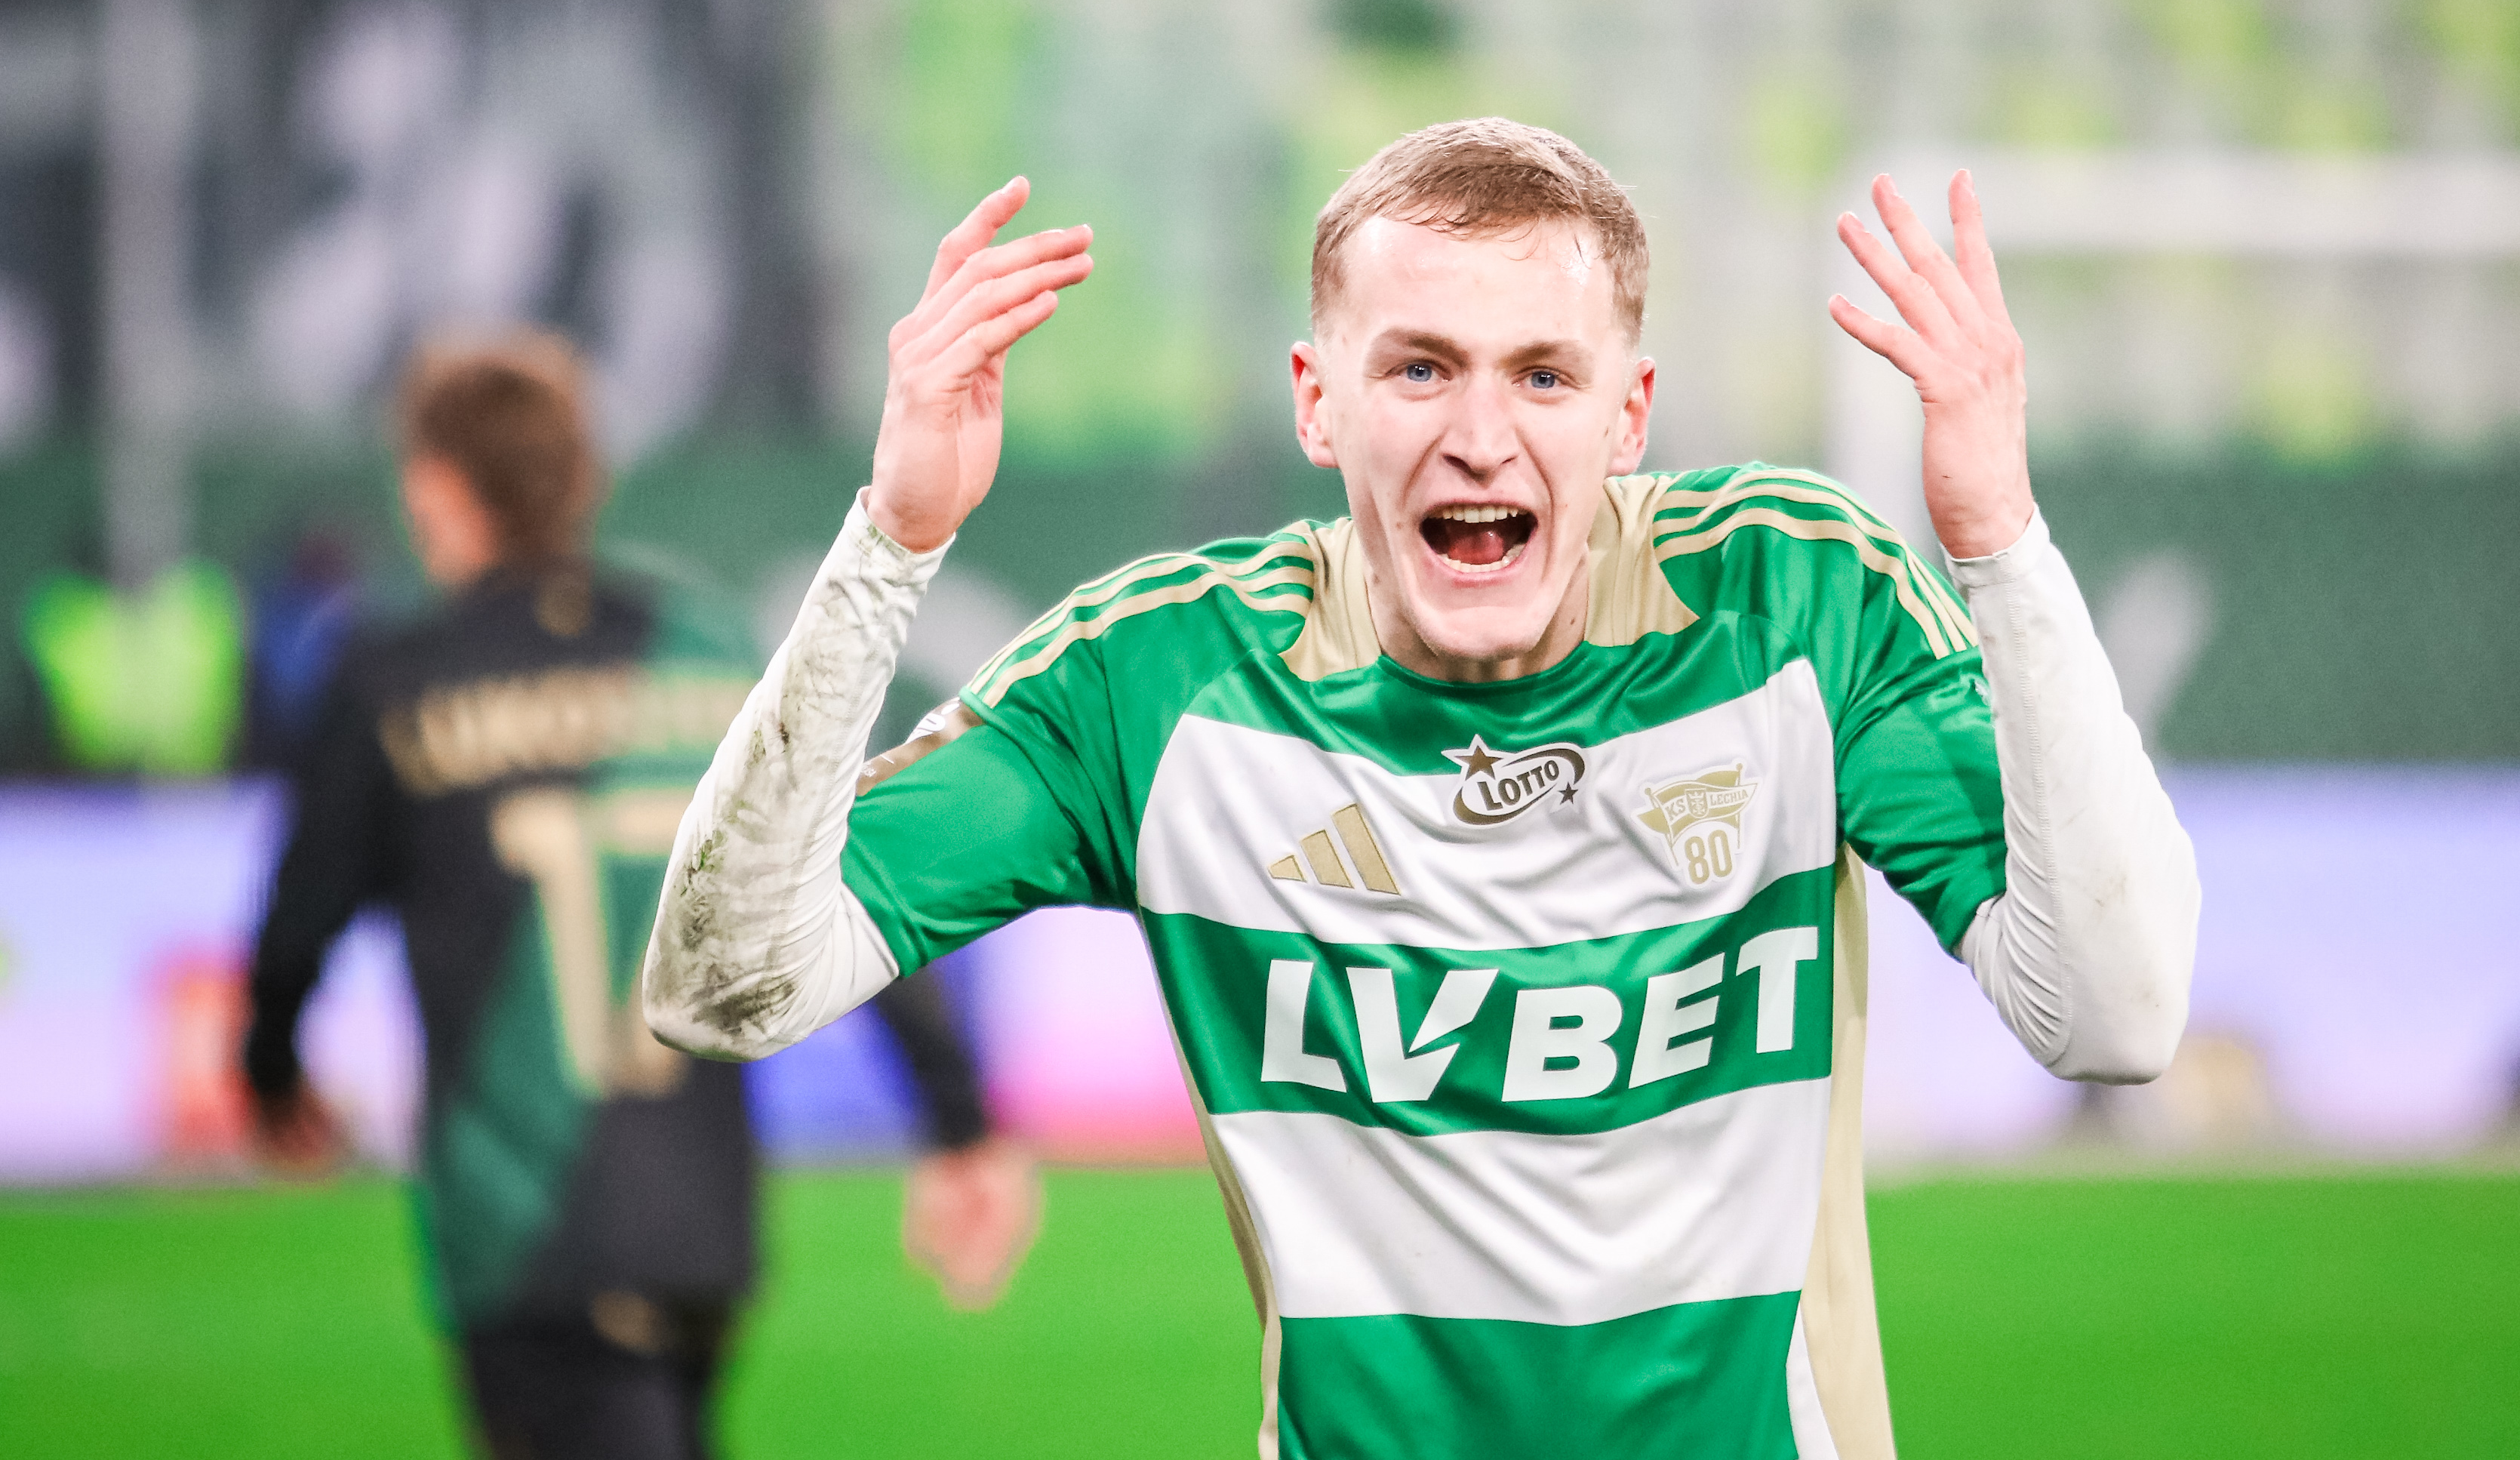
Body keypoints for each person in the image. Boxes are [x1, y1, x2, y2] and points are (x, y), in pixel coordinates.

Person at [642, 122, 2200, 1458]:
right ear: (1318, 400)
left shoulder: (1798, 606)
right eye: (1420, 369)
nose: (1479, 437)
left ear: (1629, 413)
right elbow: (724, 984)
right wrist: (895, 536)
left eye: (1543, 374)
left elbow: (2114, 1018)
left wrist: (1999, 537)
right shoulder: (1160, 683)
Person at [242, 333, 1037, 1460]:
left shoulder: (394, 683)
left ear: (437, 489)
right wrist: (958, 1121)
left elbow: (292, 935)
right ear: (584, 477)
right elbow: (843, 881)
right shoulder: (703, 649)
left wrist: (272, 1076)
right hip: (703, 1226)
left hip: (526, 1230)